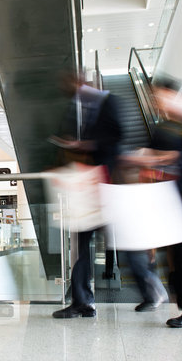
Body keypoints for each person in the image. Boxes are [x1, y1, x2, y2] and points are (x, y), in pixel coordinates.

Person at [121, 77, 182, 327]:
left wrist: (154, 158)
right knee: (174, 256)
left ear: (172, 94)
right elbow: (147, 154)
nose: (156, 103)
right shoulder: (163, 127)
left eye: (159, 97)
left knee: (181, 256)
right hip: (164, 199)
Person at [52, 71, 122, 319]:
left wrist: (88, 145)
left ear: (82, 80)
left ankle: (151, 289)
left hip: (105, 182)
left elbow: (116, 136)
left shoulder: (107, 101)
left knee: (121, 240)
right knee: (80, 245)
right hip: (84, 185)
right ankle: (82, 302)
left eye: (72, 82)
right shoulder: (74, 108)